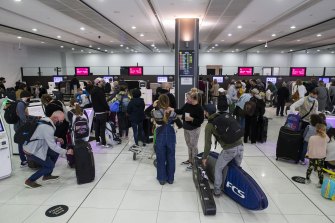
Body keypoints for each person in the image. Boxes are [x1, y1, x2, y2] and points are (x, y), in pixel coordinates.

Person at [202, 96, 244, 197]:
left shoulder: (210, 125)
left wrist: (204, 157)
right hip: (241, 145)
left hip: (230, 149)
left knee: (218, 168)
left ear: (207, 113)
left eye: (204, 111)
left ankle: (217, 191)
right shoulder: (224, 115)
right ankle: (236, 188)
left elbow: (208, 144)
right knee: (236, 168)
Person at [23, 111, 74, 188]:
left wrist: (56, 138)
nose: (62, 122)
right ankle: (30, 181)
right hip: (32, 150)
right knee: (49, 166)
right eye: (61, 121)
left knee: (55, 153)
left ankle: (47, 175)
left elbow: (43, 135)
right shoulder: (47, 127)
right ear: (55, 118)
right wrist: (66, 151)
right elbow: (53, 146)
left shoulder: (45, 120)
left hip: (37, 147)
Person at [174, 91, 204, 170]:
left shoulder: (199, 108)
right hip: (186, 128)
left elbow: (200, 121)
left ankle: (194, 163)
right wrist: (172, 109)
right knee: (189, 144)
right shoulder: (187, 104)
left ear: (193, 99)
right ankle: (190, 160)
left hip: (194, 129)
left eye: (188, 98)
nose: (186, 99)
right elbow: (180, 111)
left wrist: (192, 119)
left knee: (194, 146)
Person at [151, 94, 177, 185]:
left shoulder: (156, 112)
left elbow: (146, 113)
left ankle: (162, 179)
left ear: (159, 101)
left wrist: (153, 106)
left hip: (160, 136)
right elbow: (180, 124)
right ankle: (171, 179)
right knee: (171, 157)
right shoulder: (172, 112)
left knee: (161, 157)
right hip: (171, 136)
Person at [305, 123, 329, 188]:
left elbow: (309, 147)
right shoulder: (325, 138)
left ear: (316, 130)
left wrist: (308, 154)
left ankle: (307, 179)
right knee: (320, 169)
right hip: (321, 156)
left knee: (310, 167)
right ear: (324, 130)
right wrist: (324, 132)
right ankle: (320, 183)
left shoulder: (312, 138)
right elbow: (328, 139)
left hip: (312, 154)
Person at [14, 90, 34, 167]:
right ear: (25, 97)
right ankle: (23, 161)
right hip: (20, 127)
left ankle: (26, 159)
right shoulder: (20, 104)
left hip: (22, 126)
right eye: (29, 97)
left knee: (23, 142)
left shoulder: (23, 103)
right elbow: (22, 117)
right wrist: (28, 123)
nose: (30, 98)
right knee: (21, 143)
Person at [91, 78, 110, 147]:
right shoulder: (100, 91)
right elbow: (103, 101)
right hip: (102, 112)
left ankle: (97, 140)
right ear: (98, 83)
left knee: (97, 127)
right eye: (102, 81)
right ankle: (103, 143)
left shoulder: (93, 91)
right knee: (102, 128)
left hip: (96, 112)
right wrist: (108, 108)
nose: (103, 82)